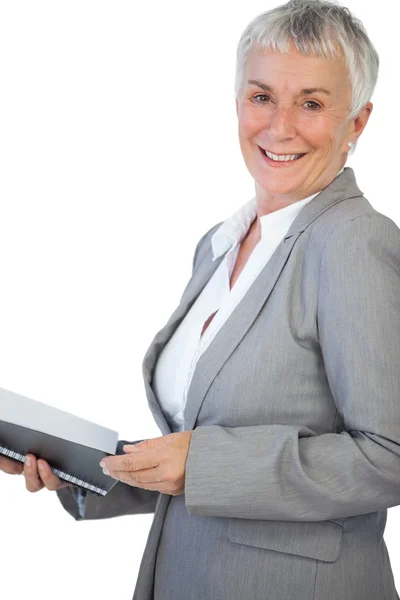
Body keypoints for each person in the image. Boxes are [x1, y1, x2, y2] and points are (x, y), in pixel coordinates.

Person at [1, 0, 400, 598]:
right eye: (262, 96)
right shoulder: (220, 245)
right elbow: (200, 448)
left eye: (312, 103)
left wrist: (204, 464)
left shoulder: (354, 242)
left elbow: (389, 455)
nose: (279, 126)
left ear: (359, 122)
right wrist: (86, 470)